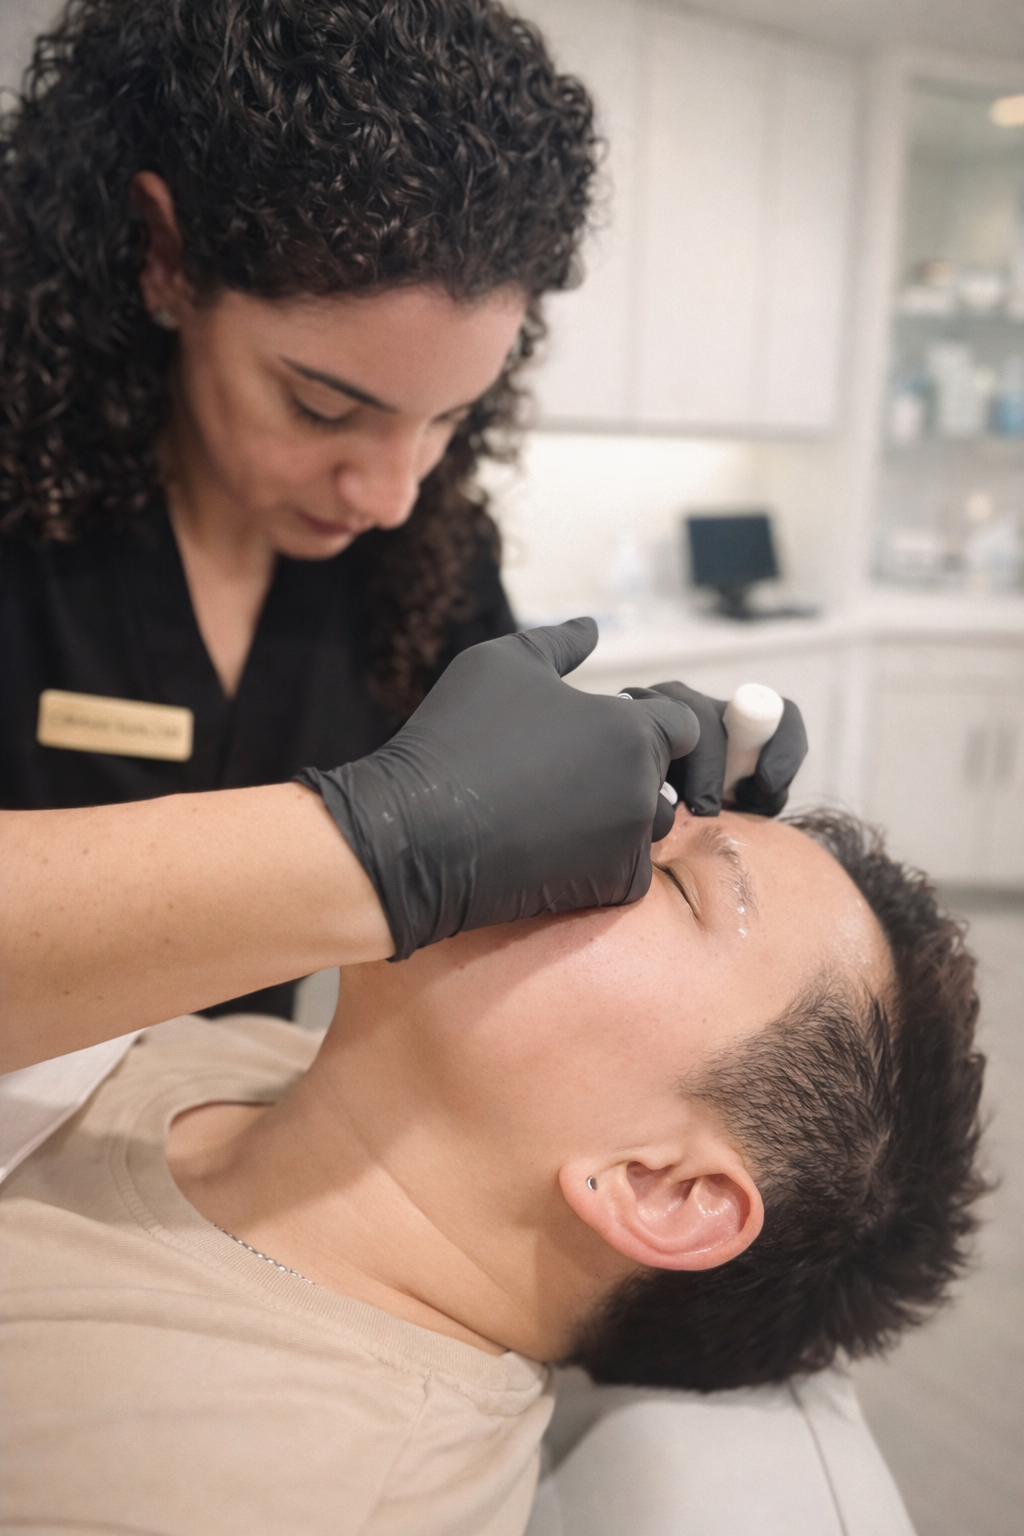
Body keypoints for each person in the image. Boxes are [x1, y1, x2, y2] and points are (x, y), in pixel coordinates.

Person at [0, 805, 986, 1534]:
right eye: (656, 807)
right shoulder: (282, 1076)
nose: (602, 819)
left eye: (678, 880)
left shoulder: (266, 1487)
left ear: (658, 1188)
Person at [0, 0, 600, 1019]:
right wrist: (367, 843)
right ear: (165, 257)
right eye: (322, 407)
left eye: (448, 418)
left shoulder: (430, 553)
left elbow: (517, 827)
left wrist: (622, 794)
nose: (389, 493)